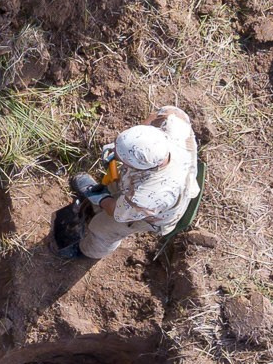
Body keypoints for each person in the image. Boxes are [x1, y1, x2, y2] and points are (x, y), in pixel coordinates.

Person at [55, 105, 201, 261]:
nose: (115, 153)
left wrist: (102, 198)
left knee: (103, 228)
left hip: (150, 215)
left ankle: (88, 251)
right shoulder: (174, 121)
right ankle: (98, 200)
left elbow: (117, 212)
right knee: (115, 188)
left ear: (139, 167)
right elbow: (153, 118)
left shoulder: (145, 198)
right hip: (142, 185)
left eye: (121, 157)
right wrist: (123, 146)